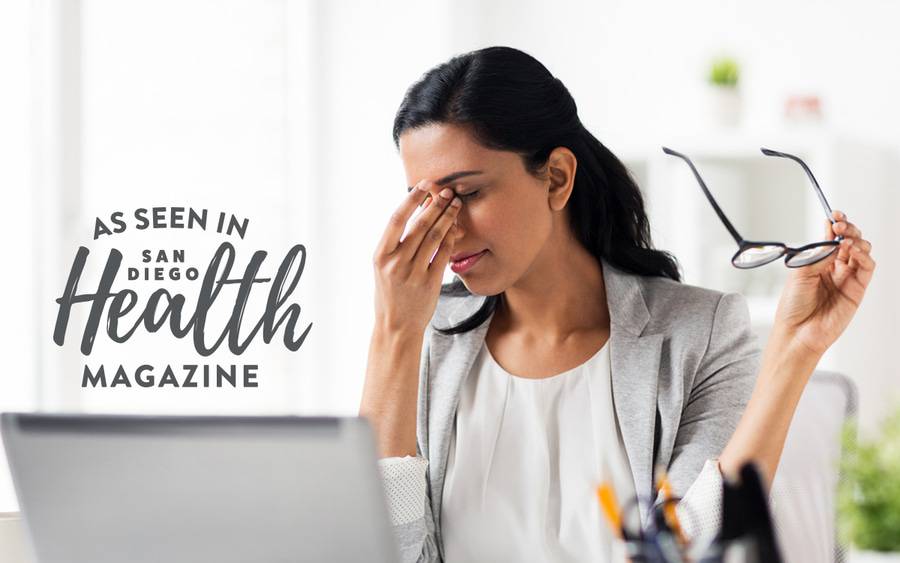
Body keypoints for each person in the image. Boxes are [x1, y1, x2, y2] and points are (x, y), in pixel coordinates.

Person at [359, 46, 875, 563]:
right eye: (425, 203)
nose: (446, 229)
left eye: (466, 194)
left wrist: (795, 351)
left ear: (557, 178)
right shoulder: (429, 344)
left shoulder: (700, 334)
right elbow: (377, 553)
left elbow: (687, 552)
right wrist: (394, 333)